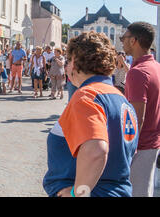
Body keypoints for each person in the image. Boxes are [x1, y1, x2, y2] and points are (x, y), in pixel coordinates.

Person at [43, 31, 139, 197]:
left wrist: (77, 193)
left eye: (68, 60)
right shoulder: (121, 99)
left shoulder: (87, 96)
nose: (66, 67)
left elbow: (97, 150)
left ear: (75, 62)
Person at [121, 22, 160, 197]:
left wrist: (127, 150)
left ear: (134, 41)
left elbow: (136, 118)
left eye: (124, 38)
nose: (122, 41)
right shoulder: (155, 67)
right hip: (152, 143)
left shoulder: (138, 73)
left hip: (141, 146)